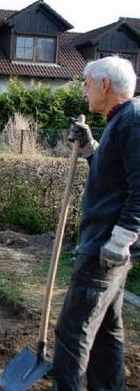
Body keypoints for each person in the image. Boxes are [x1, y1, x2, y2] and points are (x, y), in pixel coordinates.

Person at [52, 56, 139, 390]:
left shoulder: (132, 120)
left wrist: (120, 240)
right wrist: (90, 146)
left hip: (105, 247)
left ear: (105, 85)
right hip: (107, 245)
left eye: (87, 84)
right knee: (105, 330)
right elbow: (112, 173)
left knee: (72, 332)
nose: (85, 92)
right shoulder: (122, 120)